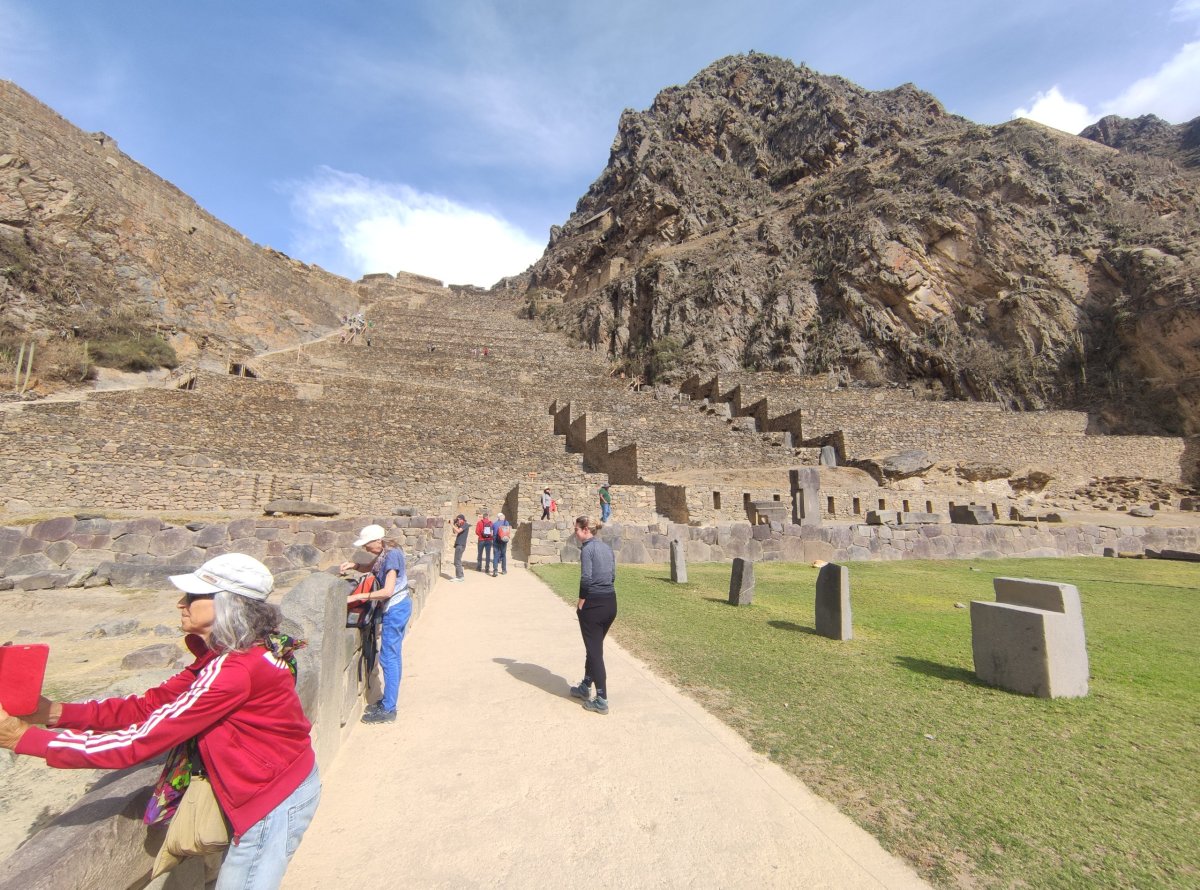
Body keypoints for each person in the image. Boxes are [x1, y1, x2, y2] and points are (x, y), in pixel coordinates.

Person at [0, 553, 321, 890]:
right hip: (278, 785)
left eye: (194, 597)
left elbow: (137, 742)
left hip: (271, 801)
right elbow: (150, 707)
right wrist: (54, 713)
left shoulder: (233, 671)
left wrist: (23, 739)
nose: (181, 603)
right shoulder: (235, 656)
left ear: (227, 604)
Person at [340, 524, 411, 725]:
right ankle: (388, 700)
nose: (365, 548)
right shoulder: (384, 554)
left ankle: (389, 709)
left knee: (389, 658)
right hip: (395, 608)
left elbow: (388, 590)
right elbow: (371, 567)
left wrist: (358, 597)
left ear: (377, 541)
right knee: (391, 656)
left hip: (395, 609)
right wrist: (353, 565)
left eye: (366, 545)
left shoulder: (392, 556)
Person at [568, 517, 617, 715]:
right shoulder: (606, 547)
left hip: (594, 604)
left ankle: (602, 699)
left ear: (586, 530)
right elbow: (613, 574)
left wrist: (582, 599)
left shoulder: (588, 549)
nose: (575, 534)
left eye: (577, 530)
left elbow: (586, 577)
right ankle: (585, 685)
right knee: (594, 647)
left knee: (595, 652)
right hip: (610, 602)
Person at [450, 514, 468, 582]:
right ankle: (461, 576)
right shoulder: (461, 525)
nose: (458, 521)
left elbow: (458, 531)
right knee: (457, 561)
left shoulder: (465, 524)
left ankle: (459, 577)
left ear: (462, 519)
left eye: (458, 519)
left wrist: (451, 524)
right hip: (459, 545)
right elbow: (455, 532)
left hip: (460, 545)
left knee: (457, 561)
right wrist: (454, 525)